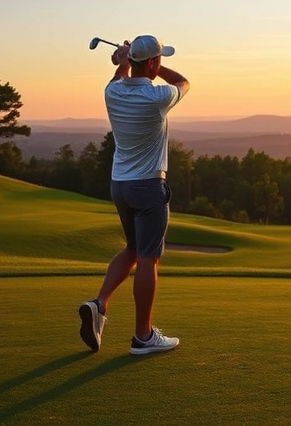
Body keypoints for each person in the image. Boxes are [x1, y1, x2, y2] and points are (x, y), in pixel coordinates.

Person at [78, 34, 190, 355]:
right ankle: (143, 335)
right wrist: (150, 64)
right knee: (147, 259)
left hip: (120, 186)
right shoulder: (158, 97)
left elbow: (119, 76)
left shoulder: (111, 91)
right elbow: (184, 81)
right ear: (153, 63)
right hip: (148, 187)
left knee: (131, 249)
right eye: (157, 60)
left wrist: (125, 61)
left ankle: (98, 305)